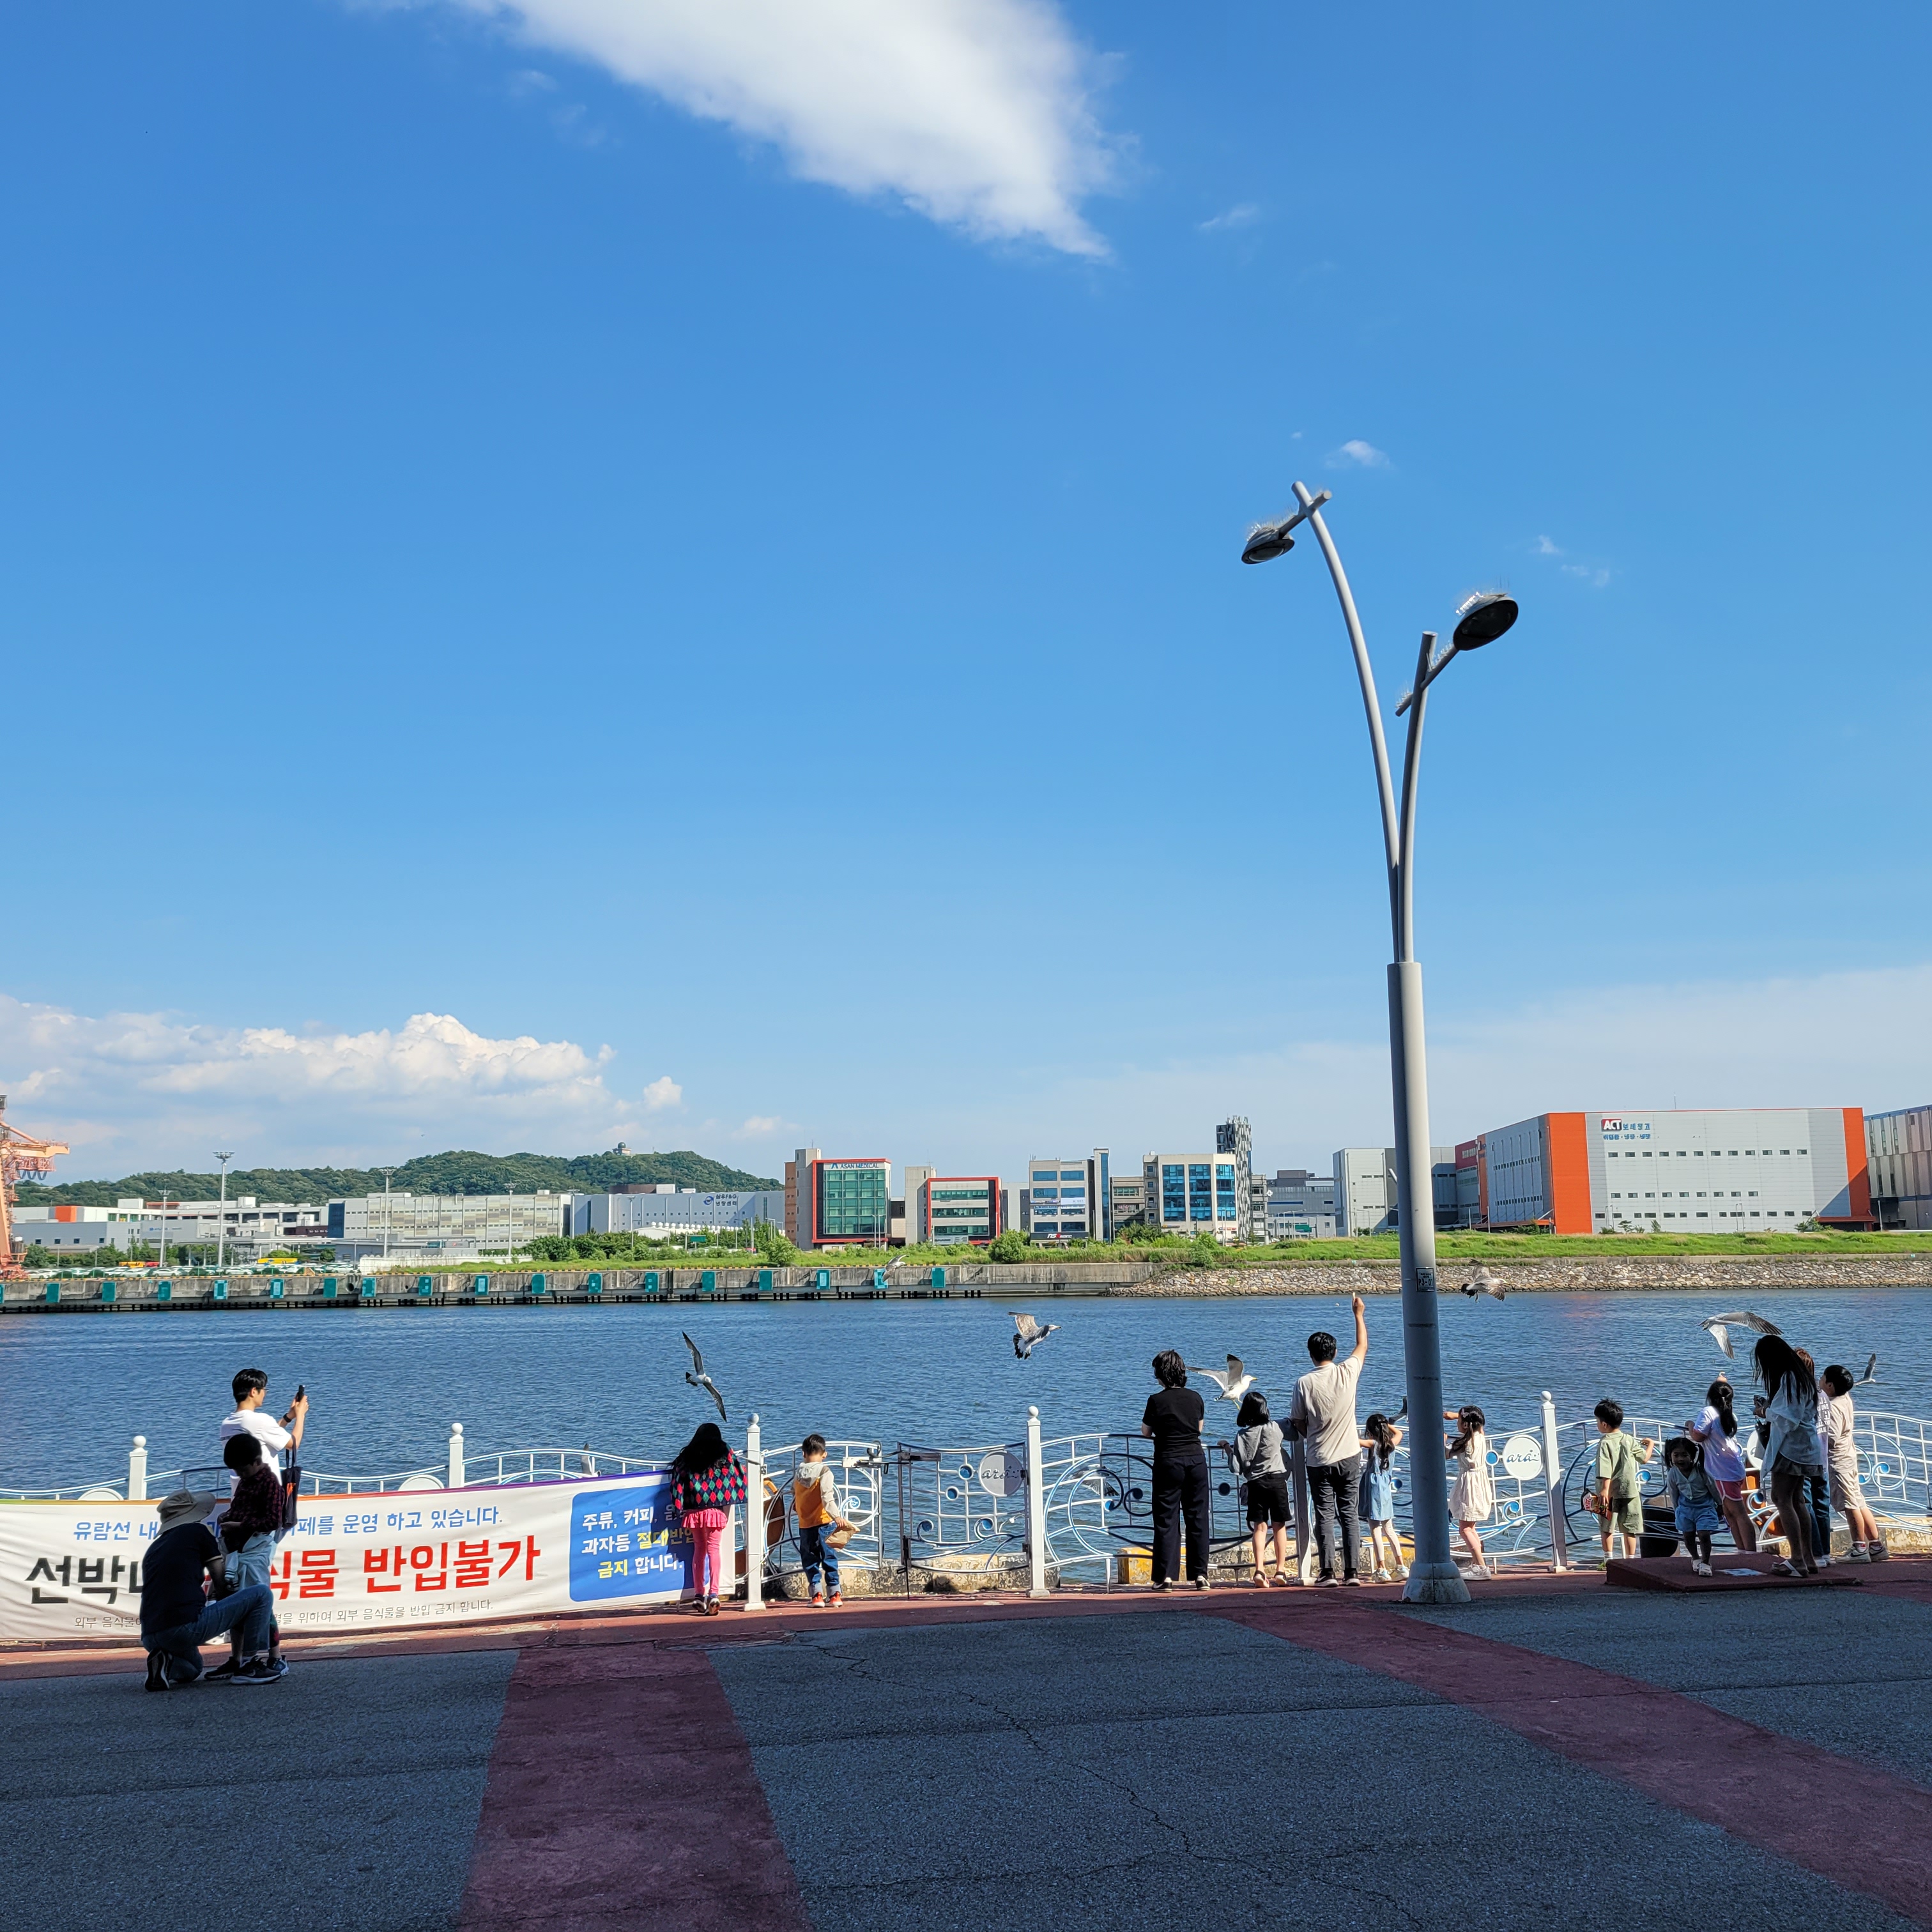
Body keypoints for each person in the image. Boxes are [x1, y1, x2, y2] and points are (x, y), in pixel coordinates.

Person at [213, 1368, 306, 1680]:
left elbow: (265, 1443)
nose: (264, 1395)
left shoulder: (229, 1424)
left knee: (241, 1593)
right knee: (256, 1594)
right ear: (254, 1391)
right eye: (263, 1390)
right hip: (256, 1528)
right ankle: (267, 1658)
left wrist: (286, 1417)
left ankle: (241, 1656)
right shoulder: (259, 1426)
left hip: (243, 1518)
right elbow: (292, 1444)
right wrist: (300, 1415)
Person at [141, 1489, 278, 1689]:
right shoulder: (198, 1531)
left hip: (150, 1635)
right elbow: (219, 1579)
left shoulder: (155, 1547)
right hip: (184, 1626)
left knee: (193, 1669)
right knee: (261, 1594)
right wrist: (238, 1611)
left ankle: (164, 1662)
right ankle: (249, 1665)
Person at [1289, 1294, 1368, 1586]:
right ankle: (1353, 1572)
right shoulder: (1347, 1372)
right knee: (1349, 1513)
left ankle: (1327, 1572)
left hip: (1318, 1457)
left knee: (1324, 1514)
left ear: (1311, 1354)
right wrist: (1358, 1314)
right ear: (1334, 1352)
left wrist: (1310, 1432)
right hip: (1350, 1454)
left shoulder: (1304, 1383)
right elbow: (1362, 1346)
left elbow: (1297, 1421)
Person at [217, 1433, 289, 1678]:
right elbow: (236, 1509)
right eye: (236, 1471)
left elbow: (273, 1521)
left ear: (257, 1461)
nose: (240, 1474)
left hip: (255, 1550)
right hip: (237, 1550)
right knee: (236, 1604)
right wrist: (226, 1518)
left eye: (243, 1469)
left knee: (261, 1604)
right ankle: (236, 1658)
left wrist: (239, 1525)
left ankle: (275, 1657)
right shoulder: (246, 1481)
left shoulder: (270, 1484)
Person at [1753, 1335, 1823, 1577]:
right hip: (1807, 1447)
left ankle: (1797, 1560)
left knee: (1781, 1498)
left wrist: (1764, 1411)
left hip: (1791, 1448)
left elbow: (1788, 1419)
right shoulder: (1804, 1378)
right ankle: (1808, 1558)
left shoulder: (1790, 1378)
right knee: (1798, 1501)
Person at [1141, 1350, 1210, 1590]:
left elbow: (1146, 1432)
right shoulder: (1196, 1398)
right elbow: (1198, 1429)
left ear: (1160, 1374)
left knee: (1166, 1519)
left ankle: (1165, 1577)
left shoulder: (1156, 1400)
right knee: (1197, 1518)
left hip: (1168, 1462)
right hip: (1196, 1461)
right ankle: (1200, 1575)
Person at [667, 1422, 747, 1615]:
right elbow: (737, 1472)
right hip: (715, 1510)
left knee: (699, 1550)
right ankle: (714, 1594)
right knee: (714, 1549)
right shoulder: (724, 1451)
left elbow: (677, 1479)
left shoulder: (689, 1454)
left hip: (694, 1510)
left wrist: (678, 1506)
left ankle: (698, 1594)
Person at [1820, 1364, 1888, 1562]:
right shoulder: (1844, 1398)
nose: (1820, 1380)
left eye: (1823, 1378)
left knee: (1850, 1503)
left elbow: (1831, 1437)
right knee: (1858, 1500)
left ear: (1830, 1385)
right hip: (1849, 1456)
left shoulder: (1833, 1406)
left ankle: (1859, 1547)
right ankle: (1875, 1546)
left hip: (1838, 1460)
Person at [1221, 1391, 1290, 1586]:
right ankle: (1280, 1571)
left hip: (1256, 1484)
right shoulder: (1276, 1427)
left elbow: (1236, 1467)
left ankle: (1259, 1571)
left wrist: (1226, 1447)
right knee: (1279, 1526)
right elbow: (1294, 1432)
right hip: (1277, 1481)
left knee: (1260, 1528)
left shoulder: (1242, 1435)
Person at [1685, 1378, 1754, 1552]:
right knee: (1729, 1512)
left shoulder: (1708, 1412)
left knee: (1738, 1512)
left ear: (1710, 1397)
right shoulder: (1729, 1415)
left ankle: (1750, 1552)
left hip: (1724, 1471)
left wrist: (1690, 1425)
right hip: (1732, 1467)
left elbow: (1698, 1436)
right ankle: (1742, 1550)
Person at [793, 1432, 854, 1608]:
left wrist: (796, 1505)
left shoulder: (798, 1473)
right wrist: (837, 1516)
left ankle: (817, 1596)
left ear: (804, 1454)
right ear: (824, 1454)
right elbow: (827, 1498)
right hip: (825, 1523)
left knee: (810, 1560)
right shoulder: (824, 1471)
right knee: (829, 1558)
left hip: (805, 1525)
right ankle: (835, 1595)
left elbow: (794, 1492)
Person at [1592, 1399, 1648, 1562]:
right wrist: (1651, 1444)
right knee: (1630, 1528)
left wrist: (1604, 1490)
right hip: (1629, 1490)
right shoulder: (1629, 1439)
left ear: (1604, 1425)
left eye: (1597, 1421)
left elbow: (1605, 1467)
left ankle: (1608, 1560)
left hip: (1609, 1493)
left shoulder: (1605, 1442)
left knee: (1607, 1527)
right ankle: (1631, 1560)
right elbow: (1644, 1458)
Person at [1795, 1349, 1835, 1565]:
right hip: (1822, 1456)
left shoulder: (1802, 1395)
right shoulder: (1822, 1395)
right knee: (1822, 1505)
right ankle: (1825, 1552)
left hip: (1807, 1456)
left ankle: (1816, 1553)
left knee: (1806, 1504)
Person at [1444, 1406, 1494, 1578]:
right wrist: (1456, 1415)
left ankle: (1481, 1566)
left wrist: (1442, 1440)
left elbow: (1446, 1454)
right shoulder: (1480, 1437)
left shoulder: (1463, 1443)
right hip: (1480, 1482)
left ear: (1465, 1425)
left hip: (1469, 1486)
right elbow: (1480, 1426)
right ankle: (1477, 1563)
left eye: (1459, 1420)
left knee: (1464, 1529)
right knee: (1471, 1528)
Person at [1664, 1436, 1722, 1575]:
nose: (1680, 1459)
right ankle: (1695, 1558)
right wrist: (1676, 1509)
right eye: (1676, 1455)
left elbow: (1713, 1489)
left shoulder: (1702, 1472)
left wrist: (1720, 1505)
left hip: (1705, 1508)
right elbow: (1673, 1492)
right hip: (1685, 1509)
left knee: (1704, 1534)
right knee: (1688, 1535)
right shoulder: (1673, 1473)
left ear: (1692, 1456)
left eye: (1684, 1455)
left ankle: (1706, 1562)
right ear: (1670, 1456)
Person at [1358, 1411, 1406, 1581]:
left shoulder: (1373, 1444)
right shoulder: (1391, 1444)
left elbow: (1356, 1441)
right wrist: (1387, 1424)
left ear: (1371, 1432)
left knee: (1375, 1530)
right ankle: (1401, 1566)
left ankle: (1381, 1568)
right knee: (1389, 1529)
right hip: (1385, 1488)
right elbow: (1400, 1433)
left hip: (1374, 1489)